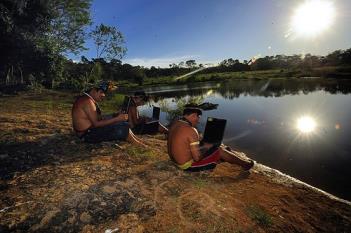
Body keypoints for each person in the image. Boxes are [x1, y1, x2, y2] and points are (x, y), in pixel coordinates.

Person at [167, 107, 254, 172]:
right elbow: (197, 158)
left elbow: (184, 141)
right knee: (219, 150)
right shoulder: (191, 130)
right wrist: (206, 148)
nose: (198, 120)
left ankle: (223, 155)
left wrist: (203, 146)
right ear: (193, 115)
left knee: (212, 147)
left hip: (174, 161)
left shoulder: (175, 123)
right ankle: (246, 165)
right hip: (187, 166)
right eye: (198, 117)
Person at [71, 81, 145, 146]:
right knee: (123, 126)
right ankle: (138, 144)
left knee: (121, 122)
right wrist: (117, 118)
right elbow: (96, 124)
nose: (104, 95)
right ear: (93, 90)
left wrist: (114, 115)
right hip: (87, 135)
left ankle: (137, 140)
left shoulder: (87, 99)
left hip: (88, 131)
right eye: (101, 92)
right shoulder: (87, 101)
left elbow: (98, 118)